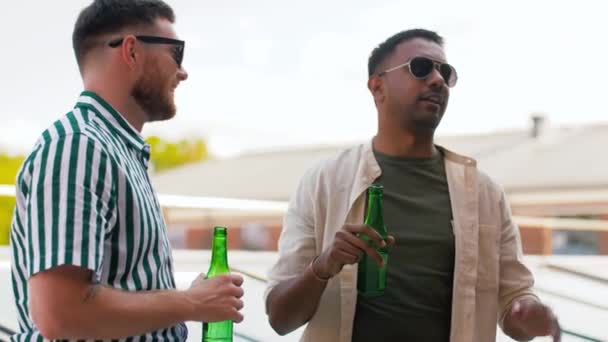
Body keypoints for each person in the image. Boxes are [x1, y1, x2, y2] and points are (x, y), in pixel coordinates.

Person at [265, 29, 561, 342]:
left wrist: (529, 312)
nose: (437, 80)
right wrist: (323, 266)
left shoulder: (484, 193)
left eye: (445, 72)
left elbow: (515, 304)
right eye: (420, 67)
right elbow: (280, 318)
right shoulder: (323, 182)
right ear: (377, 85)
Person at [9, 1, 244, 340]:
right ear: (132, 50)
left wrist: (191, 300)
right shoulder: (78, 146)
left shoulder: (114, 151)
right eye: (176, 53)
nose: (183, 71)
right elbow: (61, 314)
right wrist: (190, 303)